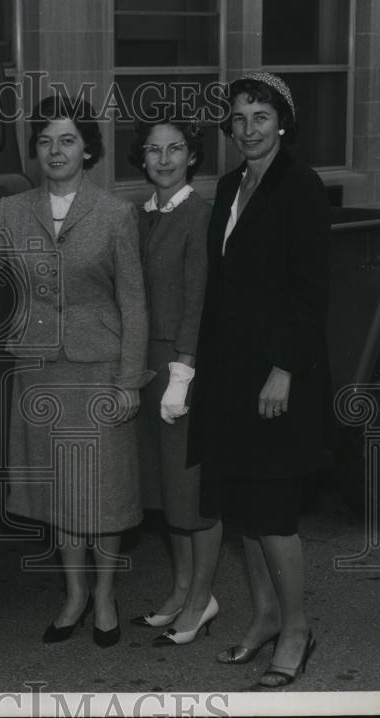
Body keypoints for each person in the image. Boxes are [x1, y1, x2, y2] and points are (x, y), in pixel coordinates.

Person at [0, 95, 150, 648]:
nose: (55, 150)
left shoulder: (116, 214)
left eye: (67, 140)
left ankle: (106, 597)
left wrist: (129, 381)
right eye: (44, 141)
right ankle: (72, 595)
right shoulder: (13, 210)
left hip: (99, 369)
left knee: (104, 491)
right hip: (40, 370)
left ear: (87, 148)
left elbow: (135, 304)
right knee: (60, 493)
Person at [189, 72, 330, 688]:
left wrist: (283, 370)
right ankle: (267, 616)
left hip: (278, 377)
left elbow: (310, 292)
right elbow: (220, 289)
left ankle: (297, 627)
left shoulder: (301, 188)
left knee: (274, 513)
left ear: (283, 124)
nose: (248, 129)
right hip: (229, 374)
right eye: (239, 119)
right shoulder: (228, 186)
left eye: (261, 117)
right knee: (244, 507)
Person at [125, 120, 222, 648]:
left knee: (193, 496)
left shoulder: (199, 217)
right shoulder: (141, 217)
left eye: (175, 149)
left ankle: (203, 597)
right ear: (142, 159)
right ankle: (183, 590)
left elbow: (198, 303)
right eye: (153, 150)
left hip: (181, 369)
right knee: (166, 493)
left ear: (191, 157)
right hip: (146, 368)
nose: (163, 159)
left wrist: (182, 374)